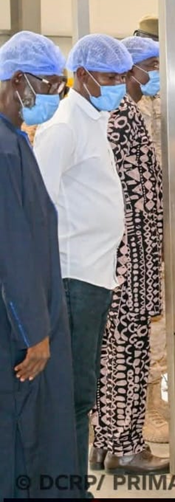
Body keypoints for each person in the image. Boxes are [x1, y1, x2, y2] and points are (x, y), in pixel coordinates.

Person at [33, 34, 130, 482]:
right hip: (73, 275)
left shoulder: (95, 117)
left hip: (94, 273)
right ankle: (65, 486)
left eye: (122, 77)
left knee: (81, 389)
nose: (119, 86)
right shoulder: (64, 125)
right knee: (72, 392)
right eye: (111, 77)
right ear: (83, 75)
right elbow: (38, 206)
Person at [0, 31, 83, 498]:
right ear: (18, 82)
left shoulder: (16, 141)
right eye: (50, 86)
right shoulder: (4, 150)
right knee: (23, 438)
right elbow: (10, 248)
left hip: (33, 316)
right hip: (18, 333)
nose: (57, 96)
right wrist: (34, 331)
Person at [84, 36, 168, 474]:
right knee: (126, 353)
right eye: (148, 64)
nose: (153, 73)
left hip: (133, 255)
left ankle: (106, 440)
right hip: (125, 258)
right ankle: (125, 446)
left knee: (120, 350)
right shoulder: (120, 119)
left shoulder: (126, 115)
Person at [131, 16, 175, 443]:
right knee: (151, 313)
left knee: (173, 308)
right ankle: (144, 405)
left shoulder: (171, 97)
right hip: (149, 223)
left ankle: (159, 397)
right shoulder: (133, 104)